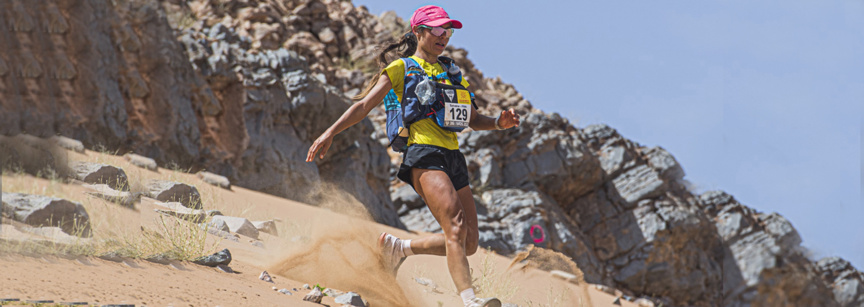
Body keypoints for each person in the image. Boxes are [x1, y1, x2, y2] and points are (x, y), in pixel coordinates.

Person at [306, 5, 519, 307]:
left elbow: (472, 118)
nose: (443, 35)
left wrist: (499, 122)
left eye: (448, 30)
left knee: (468, 241)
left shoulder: (452, 72)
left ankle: (398, 248)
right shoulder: (402, 68)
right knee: (456, 226)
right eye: (436, 29)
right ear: (419, 31)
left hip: (453, 157)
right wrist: (330, 132)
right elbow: (364, 106)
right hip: (423, 154)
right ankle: (470, 301)